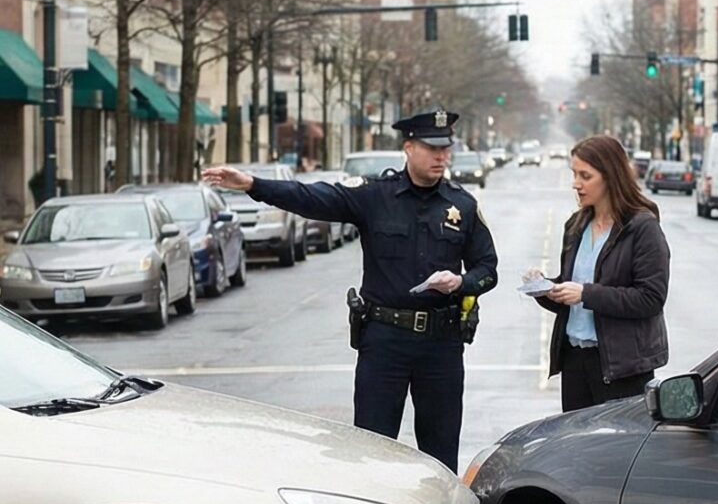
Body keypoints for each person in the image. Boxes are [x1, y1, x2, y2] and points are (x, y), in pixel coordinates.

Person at [205, 109, 497, 469]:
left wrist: (461, 282)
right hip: (385, 341)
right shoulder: (374, 195)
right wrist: (253, 184)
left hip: (441, 344)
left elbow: (488, 270)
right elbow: (309, 197)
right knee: (370, 451)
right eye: (432, 148)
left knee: (440, 455)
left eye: (445, 149)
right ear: (408, 148)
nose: (441, 156)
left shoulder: (461, 205)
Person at [529, 135, 670, 411]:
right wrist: (545, 288)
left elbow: (651, 298)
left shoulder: (642, 228)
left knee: (615, 451)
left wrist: (585, 293)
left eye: (585, 175)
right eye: (574, 174)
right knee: (577, 449)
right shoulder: (576, 225)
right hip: (575, 361)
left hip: (621, 367)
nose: (576, 183)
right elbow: (571, 293)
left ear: (610, 176)